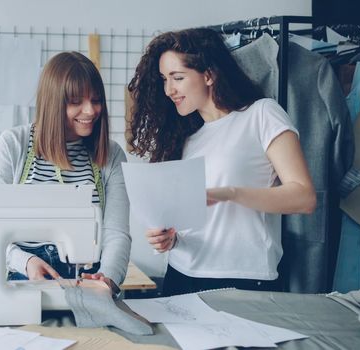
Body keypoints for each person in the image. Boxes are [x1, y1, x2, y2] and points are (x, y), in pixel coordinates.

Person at [127, 28, 316, 296]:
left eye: (177, 78)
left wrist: (229, 193)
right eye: (164, 79)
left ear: (208, 74)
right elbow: (197, 220)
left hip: (244, 278)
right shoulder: (188, 137)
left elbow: (304, 197)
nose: (169, 90)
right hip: (182, 273)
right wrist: (172, 238)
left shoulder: (261, 114)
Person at [0, 51, 131, 291]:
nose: (90, 111)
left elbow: (116, 233)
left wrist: (108, 279)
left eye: (96, 100)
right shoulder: (13, 145)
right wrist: (26, 262)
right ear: (53, 102)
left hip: (90, 280)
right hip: (25, 275)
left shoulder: (111, 156)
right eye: (76, 102)